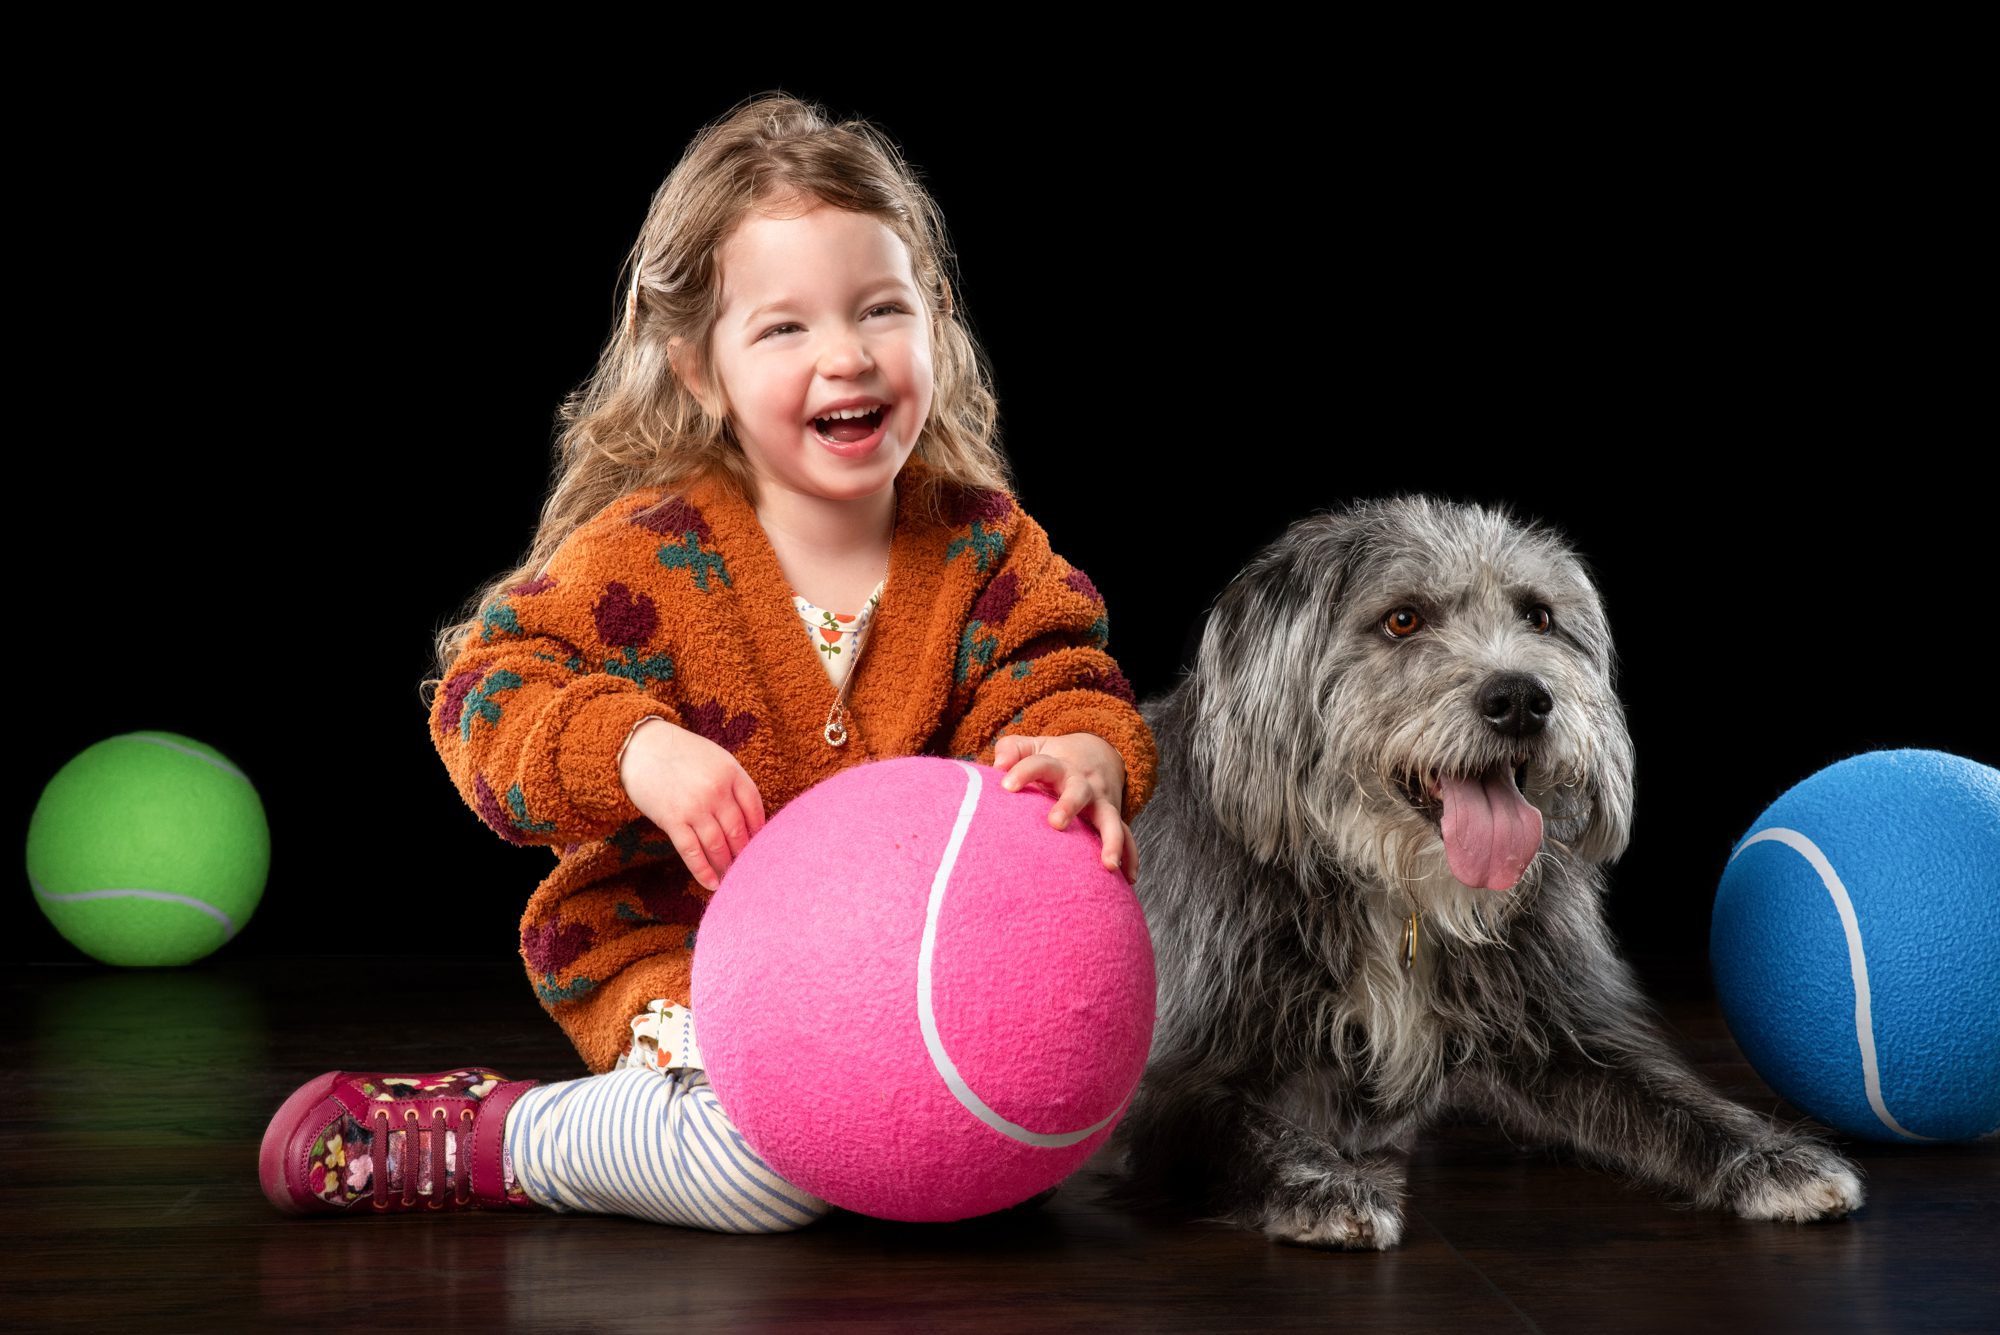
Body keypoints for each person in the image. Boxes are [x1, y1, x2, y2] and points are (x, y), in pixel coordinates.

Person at [258, 93, 1158, 1232]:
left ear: (933, 321)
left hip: (913, 982)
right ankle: (500, 1136)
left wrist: (1083, 751)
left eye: (880, 310)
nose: (845, 355)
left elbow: (1060, 672)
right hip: (687, 960)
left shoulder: (984, 547)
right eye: (783, 328)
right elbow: (488, 695)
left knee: (1064, 1102)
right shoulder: (651, 556)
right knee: (771, 1170)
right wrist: (635, 751)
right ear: (697, 368)